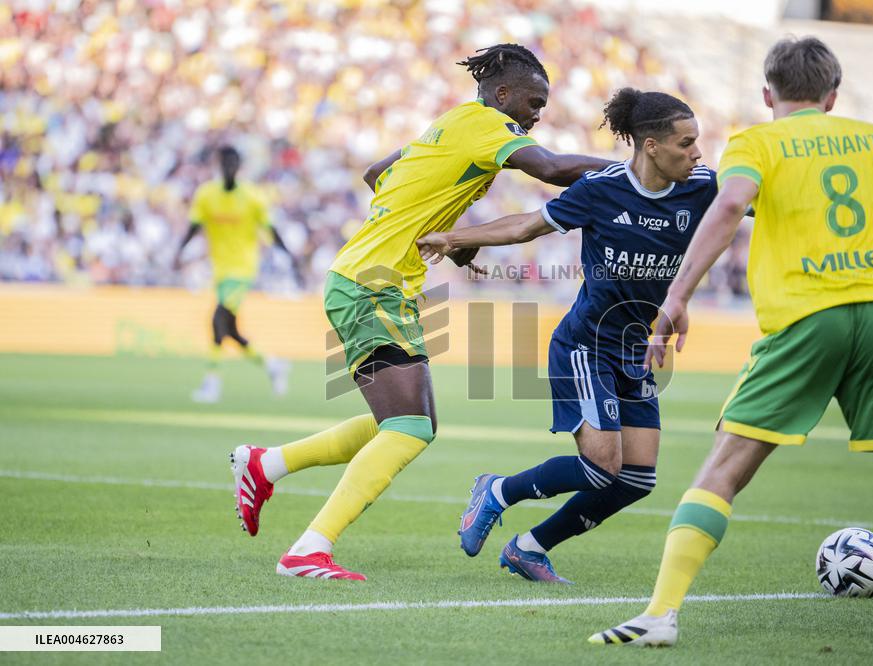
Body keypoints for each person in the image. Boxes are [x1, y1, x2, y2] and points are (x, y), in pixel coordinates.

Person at [590, 37, 873, 660]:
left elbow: (730, 203)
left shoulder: (756, 142)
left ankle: (660, 614)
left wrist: (675, 298)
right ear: (834, 95)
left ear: (767, 94)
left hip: (807, 316)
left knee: (723, 470)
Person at [228, 44, 615, 580]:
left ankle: (266, 465)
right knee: (409, 427)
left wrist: (447, 235)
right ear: (502, 94)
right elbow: (550, 169)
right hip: (373, 284)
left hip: (372, 280)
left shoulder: (452, 123)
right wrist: (631, 169)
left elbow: (375, 173)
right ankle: (307, 551)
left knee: (407, 422)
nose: (537, 114)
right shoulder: (484, 125)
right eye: (533, 101)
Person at [419, 88, 714, 583]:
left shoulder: (704, 187)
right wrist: (453, 238)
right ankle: (497, 491)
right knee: (602, 466)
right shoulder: (602, 189)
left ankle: (529, 548)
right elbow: (524, 228)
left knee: (637, 478)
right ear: (650, 146)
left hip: (636, 351)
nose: (698, 153)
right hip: (586, 344)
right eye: (686, 143)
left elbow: (754, 203)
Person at [173, 145, 299, 403]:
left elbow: (271, 229)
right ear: (220, 165)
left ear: (238, 167)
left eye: (233, 164)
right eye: (225, 164)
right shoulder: (206, 195)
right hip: (220, 270)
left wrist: (287, 255)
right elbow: (194, 225)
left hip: (242, 269)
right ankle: (272, 364)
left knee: (217, 320)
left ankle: (212, 383)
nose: (229, 169)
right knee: (230, 329)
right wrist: (179, 252)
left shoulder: (253, 197)